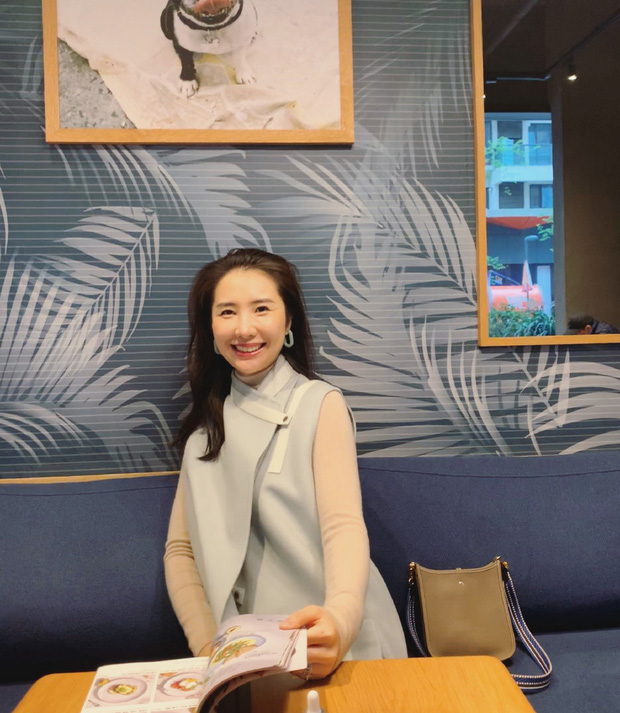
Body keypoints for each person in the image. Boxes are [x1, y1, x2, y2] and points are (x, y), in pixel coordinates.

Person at [164, 248, 407, 680]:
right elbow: (180, 551)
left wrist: (341, 622)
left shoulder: (320, 404)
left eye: (262, 308)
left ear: (288, 320)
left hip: (333, 642)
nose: (245, 328)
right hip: (245, 656)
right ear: (210, 327)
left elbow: (343, 527)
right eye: (227, 312)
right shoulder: (204, 435)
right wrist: (207, 648)